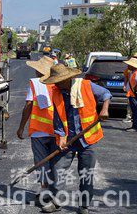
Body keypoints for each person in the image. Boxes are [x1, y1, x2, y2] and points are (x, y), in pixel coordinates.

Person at [40, 64, 111, 214]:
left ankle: (84, 205)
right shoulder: (56, 92)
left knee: (86, 173)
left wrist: (104, 109)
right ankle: (55, 201)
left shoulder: (85, 85)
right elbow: (58, 118)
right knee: (57, 169)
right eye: (55, 81)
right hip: (69, 139)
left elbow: (106, 94)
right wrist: (60, 137)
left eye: (59, 81)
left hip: (87, 139)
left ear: (68, 79)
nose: (56, 84)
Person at [16, 56, 61, 206]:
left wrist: (21, 126)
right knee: (54, 163)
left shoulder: (35, 83)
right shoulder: (57, 83)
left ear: (38, 70)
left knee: (42, 162)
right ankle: (53, 192)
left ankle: (44, 192)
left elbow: (29, 105)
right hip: (57, 131)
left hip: (39, 131)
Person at [123, 56, 137, 131]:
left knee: (135, 111)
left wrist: (134, 89)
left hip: (134, 95)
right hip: (132, 94)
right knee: (134, 111)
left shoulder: (135, 73)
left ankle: (135, 127)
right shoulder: (132, 72)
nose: (128, 66)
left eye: (129, 65)